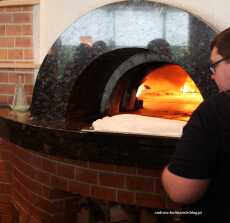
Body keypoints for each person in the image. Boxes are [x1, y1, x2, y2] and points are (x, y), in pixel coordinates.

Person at [161, 27, 230, 223]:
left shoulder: (216, 110)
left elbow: (181, 191)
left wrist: (167, 173)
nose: (212, 76)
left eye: (214, 66)